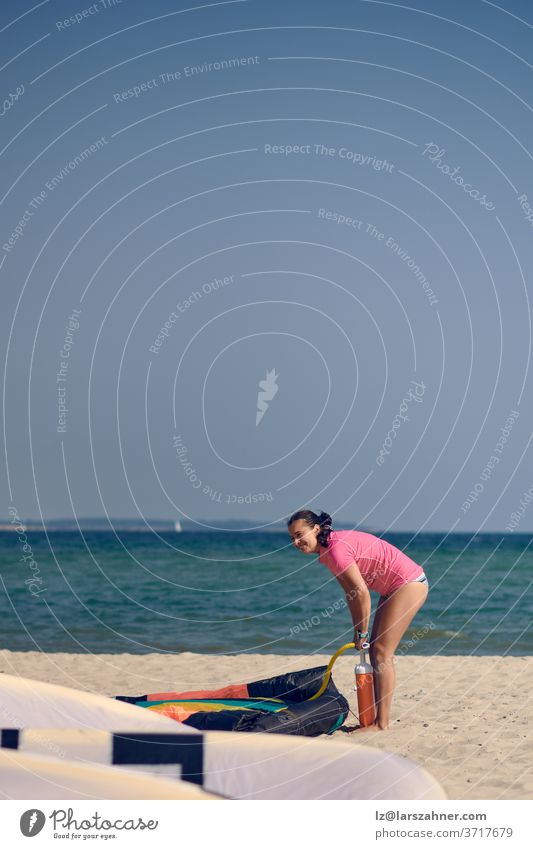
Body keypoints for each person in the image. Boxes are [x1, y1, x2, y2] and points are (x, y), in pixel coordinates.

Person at [287, 509, 429, 731]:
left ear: (316, 528)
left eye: (299, 534)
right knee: (375, 651)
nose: (296, 542)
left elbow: (361, 592)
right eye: (292, 538)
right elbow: (351, 595)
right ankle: (374, 720)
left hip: (408, 583)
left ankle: (381, 724)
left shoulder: (335, 549)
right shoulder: (327, 553)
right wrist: (357, 631)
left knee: (382, 652)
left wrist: (362, 633)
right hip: (393, 588)